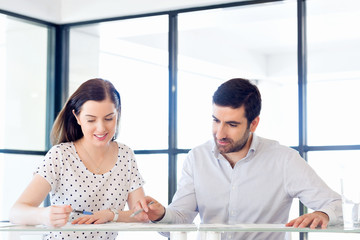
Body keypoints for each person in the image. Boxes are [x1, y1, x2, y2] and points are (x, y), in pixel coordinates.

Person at [134, 78, 343, 240]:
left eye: (232, 125)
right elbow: (180, 219)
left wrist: (323, 214)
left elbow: (334, 204)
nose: (220, 133)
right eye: (216, 121)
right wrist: (161, 214)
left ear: (253, 124)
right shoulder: (197, 158)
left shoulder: (284, 160)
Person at [10, 78, 148, 240]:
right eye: (91, 120)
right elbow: (16, 212)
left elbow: (141, 214)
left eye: (109, 118)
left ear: (118, 113)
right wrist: (44, 215)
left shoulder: (126, 156)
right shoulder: (60, 155)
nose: (101, 128)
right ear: (77, 117)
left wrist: (111, 215)